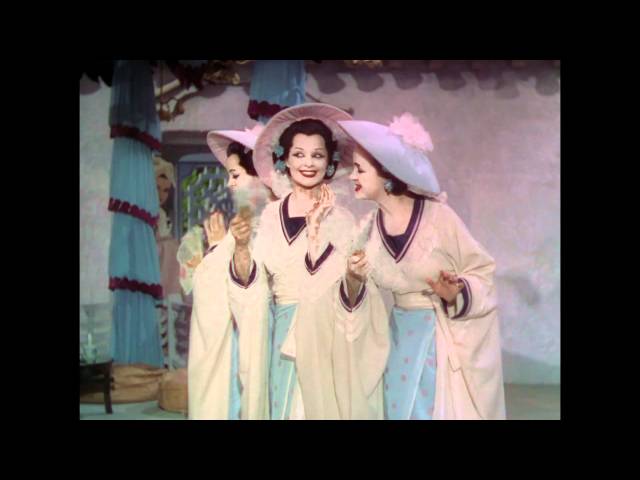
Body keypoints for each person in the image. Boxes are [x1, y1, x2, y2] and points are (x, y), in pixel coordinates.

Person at [337, 112, 505, 420]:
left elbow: (482, 271)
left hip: (437, 338)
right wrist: (354, 279)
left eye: (359, 170)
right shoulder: (369, 228)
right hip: (396, 337)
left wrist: (456, 292)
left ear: (386, 173)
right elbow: (359, 296)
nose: (352, 177)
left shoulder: (438, 217)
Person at [229, 103, 388, 420]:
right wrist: (242, 247)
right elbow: (251, 282)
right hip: (280, 330)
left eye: (317, 155)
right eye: (299, 154)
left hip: (325, 335)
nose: (308, 163)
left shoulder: (341, 219)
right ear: (285, 159)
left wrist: (316, 232)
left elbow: (348, 291)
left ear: (329, 163)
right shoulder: (269, 215)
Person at [187, 124, 273, 419]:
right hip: (241, 337)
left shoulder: (274, 223)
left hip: (271, 332)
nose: (229, 184)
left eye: (236, 175)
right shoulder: (243, 223)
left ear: (261, 175)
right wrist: (216, 249)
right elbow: (211, 287)